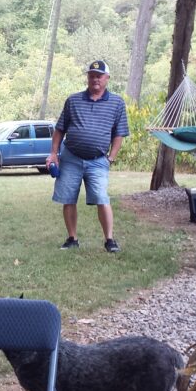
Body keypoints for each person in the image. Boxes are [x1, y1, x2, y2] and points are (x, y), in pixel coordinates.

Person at [45, 60, 129, 253]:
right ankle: (72, 238)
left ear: (107, 78)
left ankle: (109, 240)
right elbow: (59, 130)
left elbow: (119, 133)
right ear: (88, 77)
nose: (95, 79)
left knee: (102, 198)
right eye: (91, 75)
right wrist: (54, 154)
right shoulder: (73, 100)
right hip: (71, 158)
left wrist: (111, 157)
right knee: (68, 198)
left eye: (99, 75)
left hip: (98, 160)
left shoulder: (116, 103)